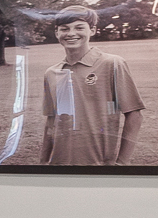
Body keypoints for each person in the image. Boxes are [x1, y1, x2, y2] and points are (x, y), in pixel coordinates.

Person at [35, 12, 145, 166]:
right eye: (65, 29)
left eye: (79, 27)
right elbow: (52, 121)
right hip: (59, 164)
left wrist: (122, 163)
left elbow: (134, 115)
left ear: (92, 30)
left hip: (99, 165)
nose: (71, 33)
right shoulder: (53, 72)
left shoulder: (112, 63)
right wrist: (44, 161)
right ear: (57, 33)